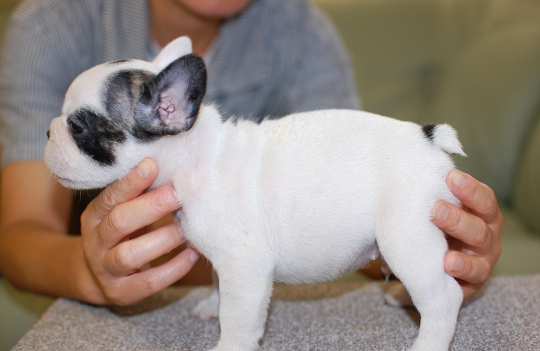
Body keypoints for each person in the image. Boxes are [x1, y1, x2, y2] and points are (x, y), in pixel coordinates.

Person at [0, 0, 502, 306]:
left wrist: (427, 241)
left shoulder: (299, 32)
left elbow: (341, 194)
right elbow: (18, 232)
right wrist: (88, 269)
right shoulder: (52, 24)